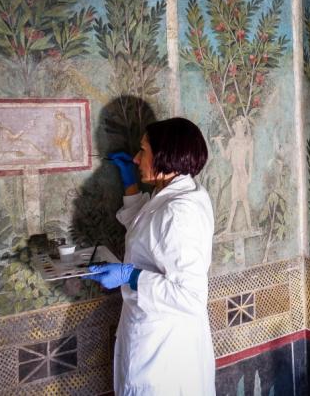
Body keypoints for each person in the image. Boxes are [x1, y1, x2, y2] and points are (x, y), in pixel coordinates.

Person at [83, 117, 215, 396]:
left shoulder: (180, 212)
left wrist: (129, 276)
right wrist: (130, 187)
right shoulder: (176, 192)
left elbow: (191, 297)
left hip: (166, 351)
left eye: (143, 150)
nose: (135, 158)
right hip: (158, 338)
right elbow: (151, 231)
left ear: (166, 156)